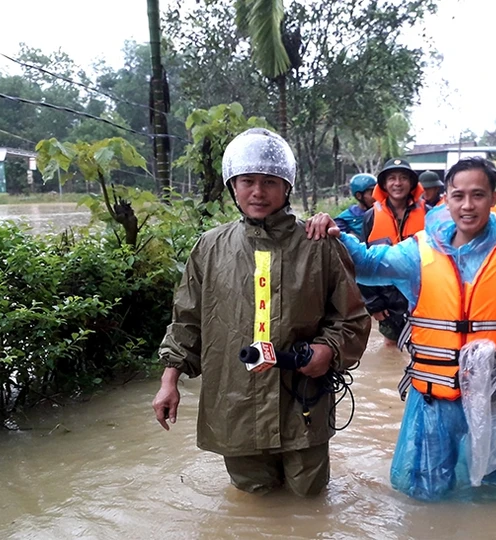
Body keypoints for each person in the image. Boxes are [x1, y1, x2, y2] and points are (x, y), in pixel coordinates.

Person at [305, 156, 496, 500]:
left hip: (493, 397)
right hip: (433, 399)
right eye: (458, 196)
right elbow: (367, 263)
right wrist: (335, 234)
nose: (467, 205)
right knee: (428, 492)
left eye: (478, 195)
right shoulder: (421, 251)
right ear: (447, 198)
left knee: (492, 492)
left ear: (493, 198)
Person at [152, 128, 371, 498]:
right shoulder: (209, 247)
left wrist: (329, 350)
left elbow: (352, 317)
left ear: (286, 187)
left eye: (270, 181)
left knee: (310, 498)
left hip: (302, 400)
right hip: (233, 401)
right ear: (232, 187)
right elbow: (187, 319)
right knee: (254, 499)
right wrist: (168, 380)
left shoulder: (318, 245)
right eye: (248, 181)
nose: (258, 191)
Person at [360, 157, 427, 346]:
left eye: (403, 178)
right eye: (392, 178)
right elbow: (362, 263)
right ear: (384, 184)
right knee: (390, 348)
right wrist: (373, 304)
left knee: (424, 348)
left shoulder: (429, 214)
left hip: (423, 298)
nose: (398, 183)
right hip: (387, 302)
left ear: (412, 183)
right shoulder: (370, 216)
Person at [334, 173, 376, 240]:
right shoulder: (343, 221)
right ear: (359, 196)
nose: (376, 196)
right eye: (372, 193)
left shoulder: (384, 213)